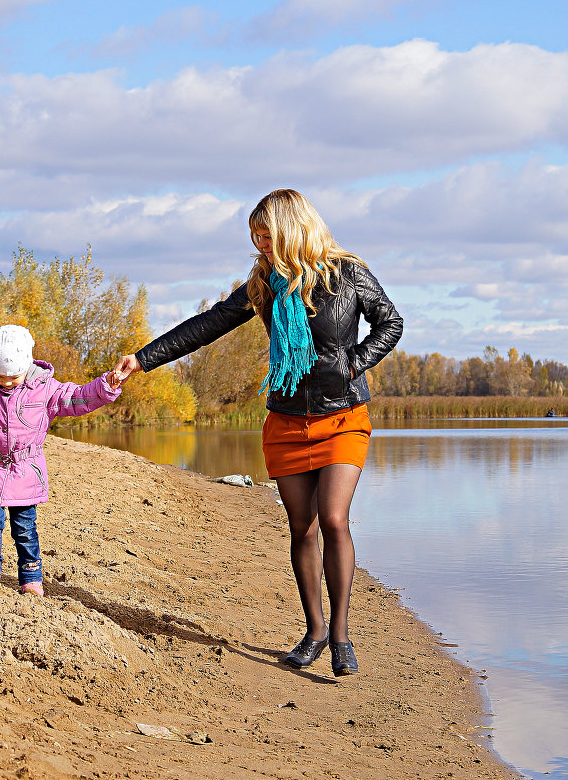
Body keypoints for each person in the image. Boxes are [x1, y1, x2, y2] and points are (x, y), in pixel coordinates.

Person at [113, 189, 403, 676]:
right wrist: (143, 358)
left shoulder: (347, 273)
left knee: (333, 520)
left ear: (292, 229)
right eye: (256, 237)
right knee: (300, 527)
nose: (261, 245)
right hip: (286, 421)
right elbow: (209, 324)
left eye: (266, 235)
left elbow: (390, 324)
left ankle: (341, 637)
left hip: (342, 419)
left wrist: (353, 363)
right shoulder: (264, 284)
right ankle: (312, 631)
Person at [0, 324, 123, 596]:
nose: (6, 382)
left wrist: (106, 387)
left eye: (13, 377)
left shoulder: (44, 388)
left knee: (24, 526)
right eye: (1, 376)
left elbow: (78, 398)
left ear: (27, 366)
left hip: (24, 469)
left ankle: (31, 577)